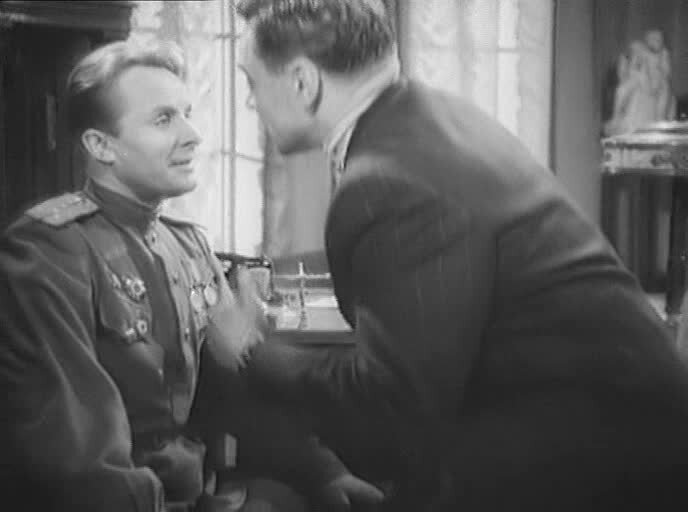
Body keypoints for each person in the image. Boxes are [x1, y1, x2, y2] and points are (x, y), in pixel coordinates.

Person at [234, 1, 688, 510]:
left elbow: (394, 413)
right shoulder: (427, 117)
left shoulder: (390, 178)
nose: (250, 102)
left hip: (606, 468)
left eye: (251, 82)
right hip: (586, 432)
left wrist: (250, 350)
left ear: (302, 82)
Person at [0, 39, 384, 511]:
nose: (193, 135)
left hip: (195, 495)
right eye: (163, 119)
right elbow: (83, 461)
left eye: (186, 113)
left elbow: (234, 392)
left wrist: (323, 474)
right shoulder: (47, 252)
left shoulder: (187, 246)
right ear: (100, 146)